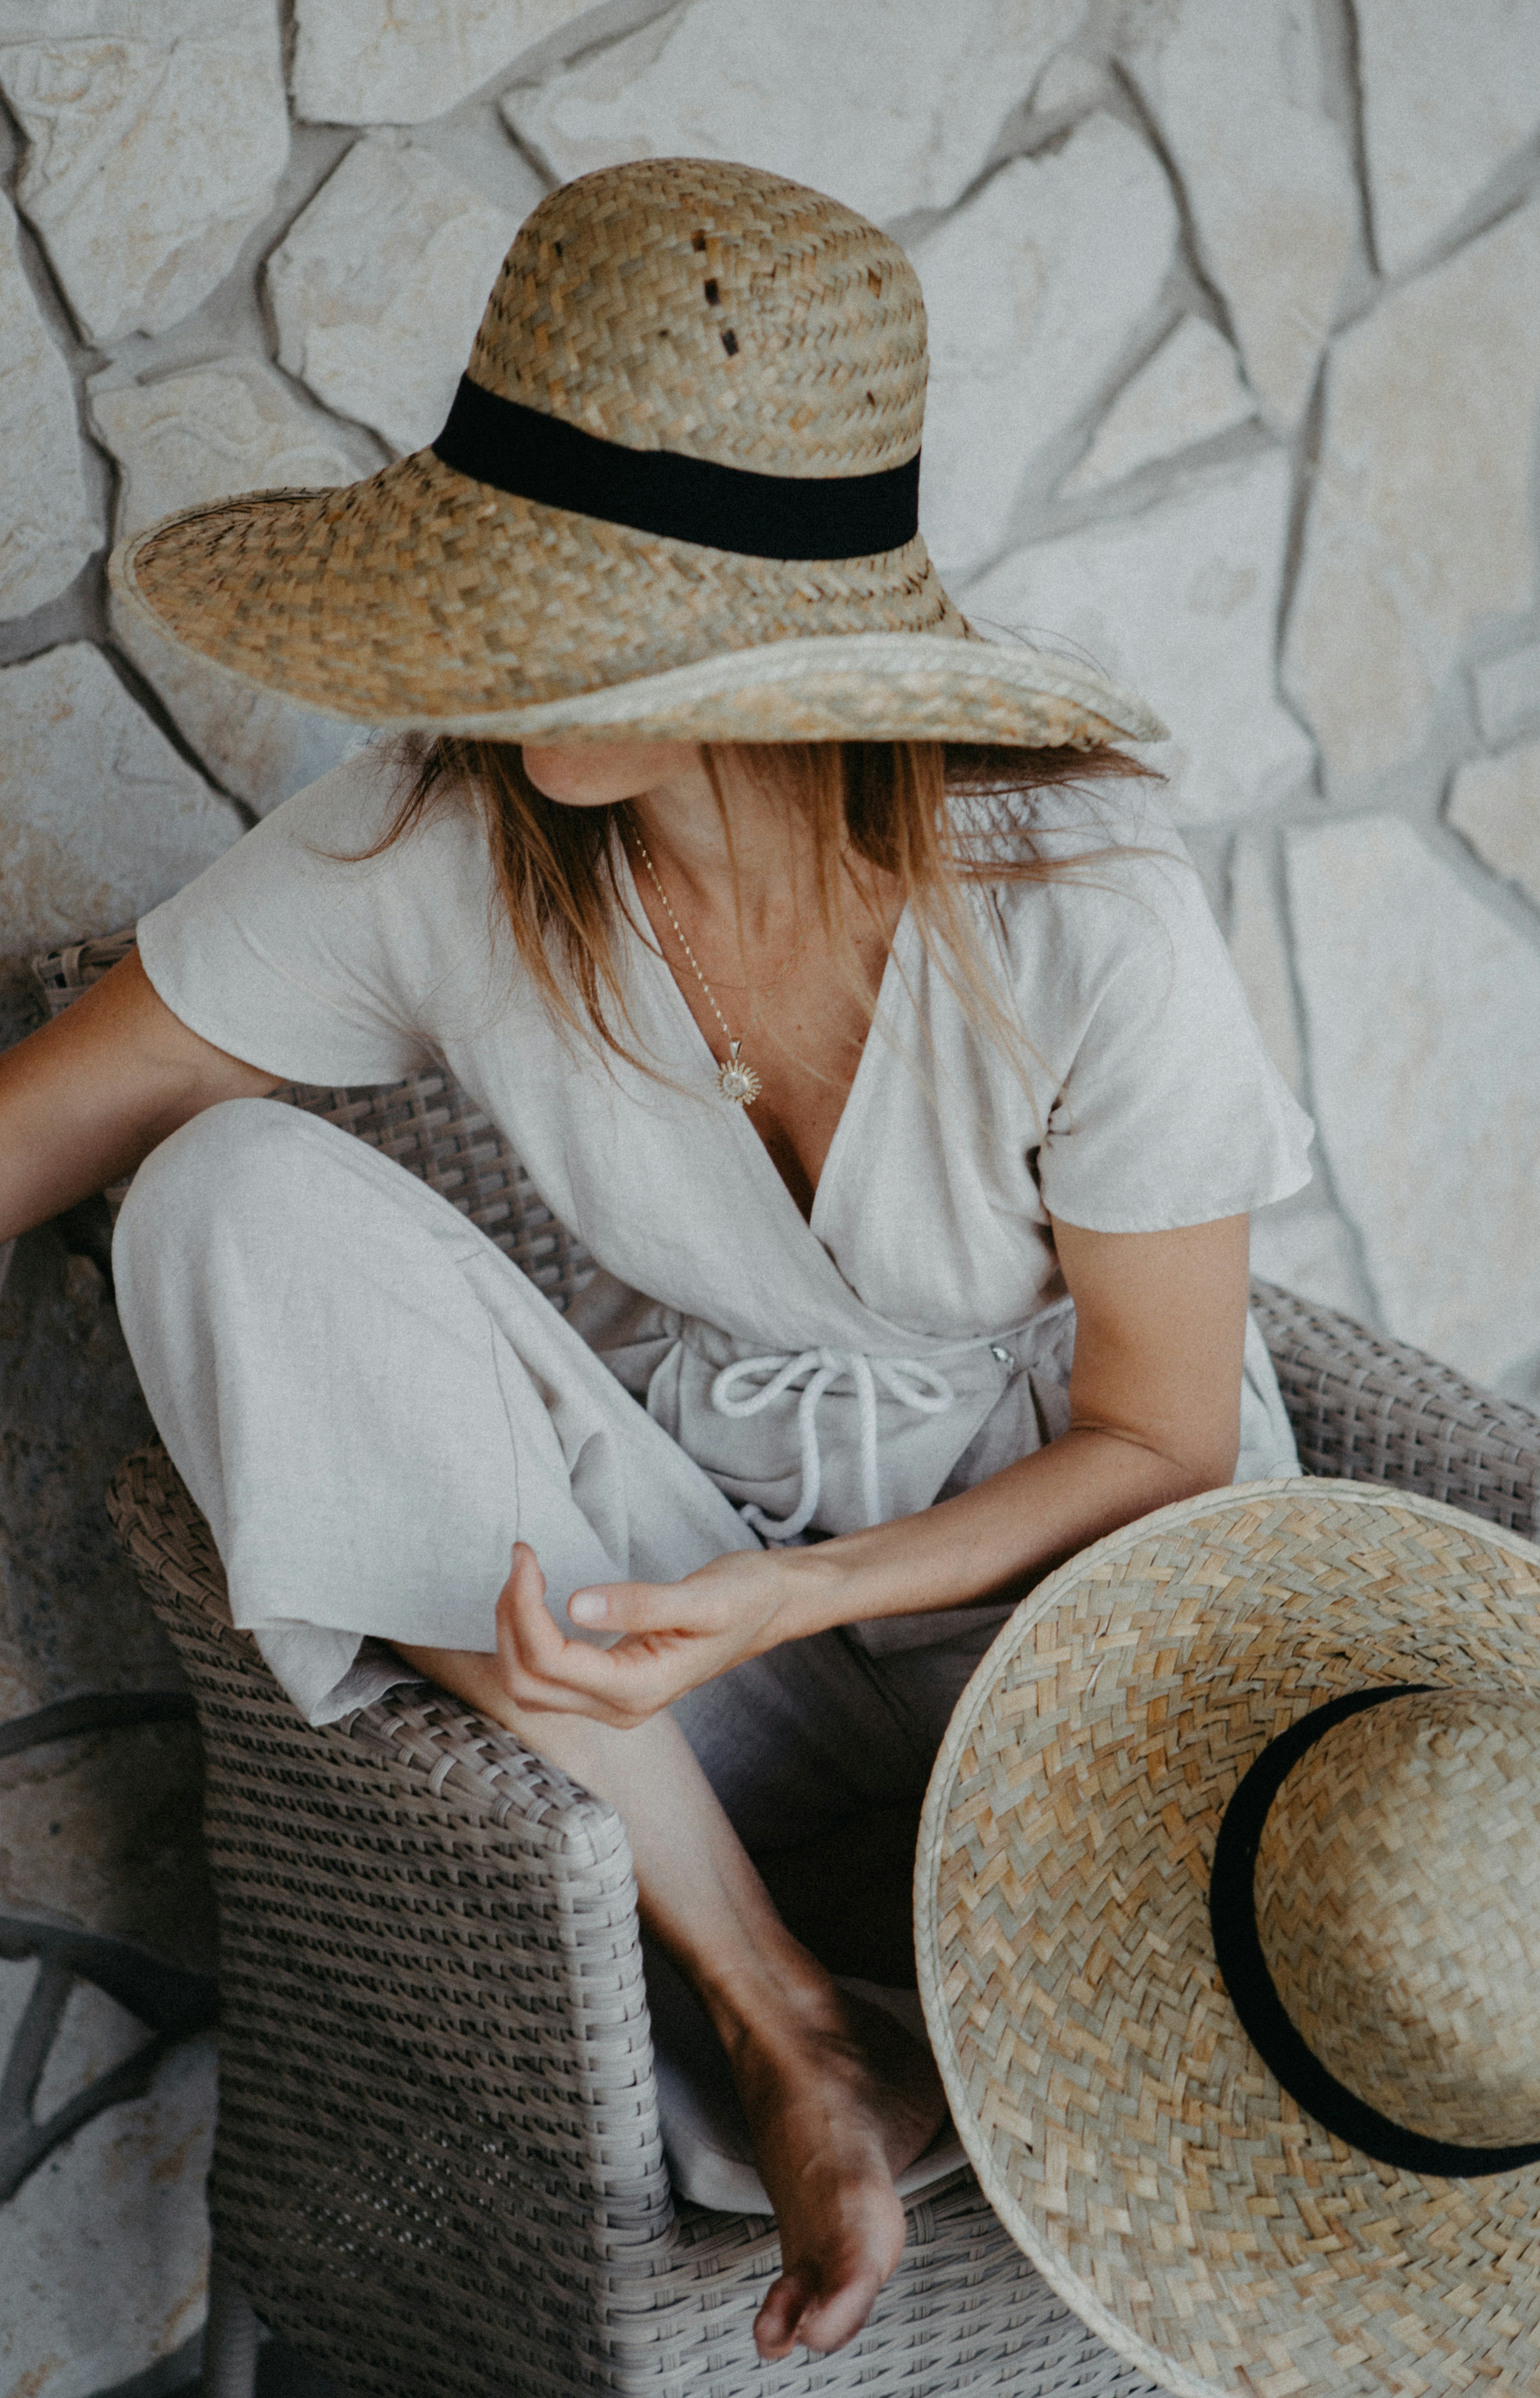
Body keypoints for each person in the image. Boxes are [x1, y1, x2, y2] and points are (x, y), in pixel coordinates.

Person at [0, 156, 1312, 2361]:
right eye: (504, 586)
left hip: (1071, 1654)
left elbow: (1166, 1441)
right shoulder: (444, 833)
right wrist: (746, 1601)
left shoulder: (1085, 908)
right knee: (226, 1199)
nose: (512, 662)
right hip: (673, 1669)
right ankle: (787, 2021)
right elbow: (51, 1121)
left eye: (586, 607)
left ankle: (994, 2023)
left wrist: (807, 1594)